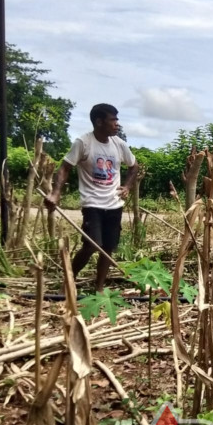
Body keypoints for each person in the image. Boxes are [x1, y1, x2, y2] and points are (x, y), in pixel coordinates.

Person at [45, 103, 139, 292]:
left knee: (108, 248)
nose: (117, 124)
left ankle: (99, 288)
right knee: (92, 245)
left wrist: (127, 186)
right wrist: (55, 193)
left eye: (117, 120)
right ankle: (67, 283)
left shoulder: (119, 144)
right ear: (99, 122)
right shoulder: (83, 142)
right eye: (113, 120)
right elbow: (64, 168)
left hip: (114, 204)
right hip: (92, 204)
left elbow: (134, 166)